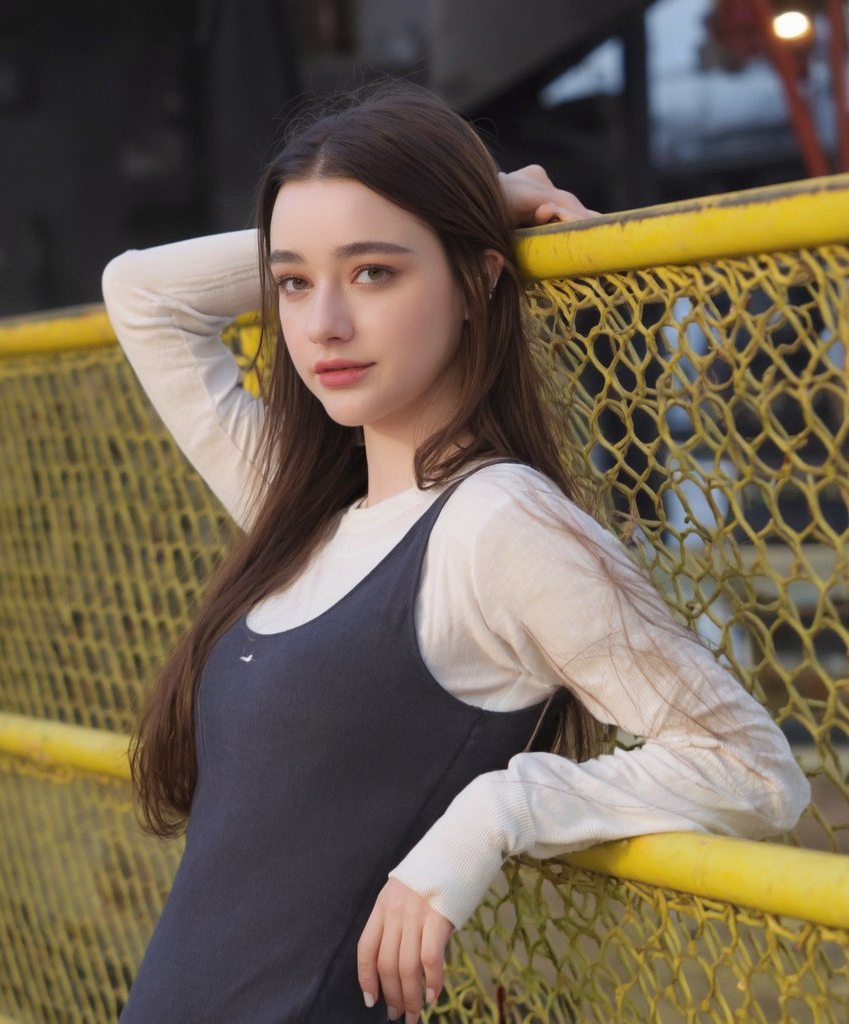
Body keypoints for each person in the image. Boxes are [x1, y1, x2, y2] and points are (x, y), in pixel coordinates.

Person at [101, 84, 809, 1024]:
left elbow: (752, 768)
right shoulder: (305, 514)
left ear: (477, 282)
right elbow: (141, 294)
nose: (322, 329)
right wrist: (488, 191)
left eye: (375, 275)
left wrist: (490, 818)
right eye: (294, 283)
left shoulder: (496, 522)